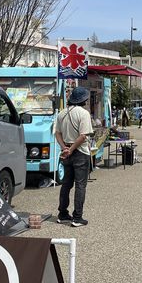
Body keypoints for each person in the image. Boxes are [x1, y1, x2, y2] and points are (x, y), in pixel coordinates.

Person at [55, 87, 94, 227]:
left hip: (66, 150)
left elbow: (57, 133)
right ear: (83, 100)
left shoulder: (62, 113)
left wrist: (64, 148)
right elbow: (83, 136)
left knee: (66, 184)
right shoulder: (84, 113)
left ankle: (62, 214)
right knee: (80, 185)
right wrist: (71, 149)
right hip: (79, 152)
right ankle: (77, 217)